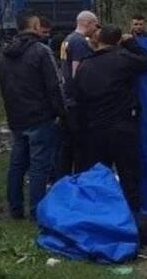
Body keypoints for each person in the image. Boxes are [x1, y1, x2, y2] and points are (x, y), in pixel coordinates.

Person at [73, 25, 147, 210]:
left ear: (98, 40)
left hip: (95, 129)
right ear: (118, 41)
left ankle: (99, 213)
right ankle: (134, 215)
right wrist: (132, 43)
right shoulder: (123, 59)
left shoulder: (85, 65)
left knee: (98, 176)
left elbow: (78, 98)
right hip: (122, 127)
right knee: (129, 175)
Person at [0, 11, 66, 220]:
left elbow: (3, 87)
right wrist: (62, 113)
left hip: (16, 117)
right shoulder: (41, 51)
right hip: (40, 118)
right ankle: (37, 212)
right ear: (36, 26)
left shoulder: (3, 54)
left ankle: (15, 209)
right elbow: (55, 86)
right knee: (39, 167)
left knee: (17, 165)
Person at [54, 11, 99, 180]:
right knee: (79, 146)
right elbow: (76, 72)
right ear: (88, 23)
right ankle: (79, 179)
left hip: (66, 99)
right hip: (76, 102)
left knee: (66, 146)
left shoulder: (67, 39)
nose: (96, 29)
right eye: (96, 24)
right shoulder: (80, 42)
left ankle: (63, 180)